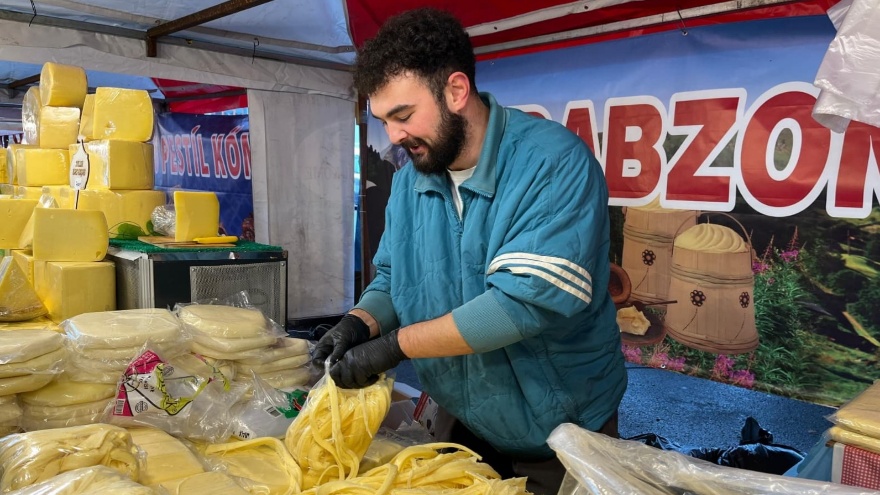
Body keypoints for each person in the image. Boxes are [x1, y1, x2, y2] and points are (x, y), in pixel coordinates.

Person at [313, 8, 627, 494]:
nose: (393, 136)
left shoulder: (551, 163)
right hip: (465, 419)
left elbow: (519, 306)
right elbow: (395, 280)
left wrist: (392, 347)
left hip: (561, 431)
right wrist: (359, 323)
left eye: (403, 116)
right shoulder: (410, 183)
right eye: (384, 121)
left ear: (456, 91)